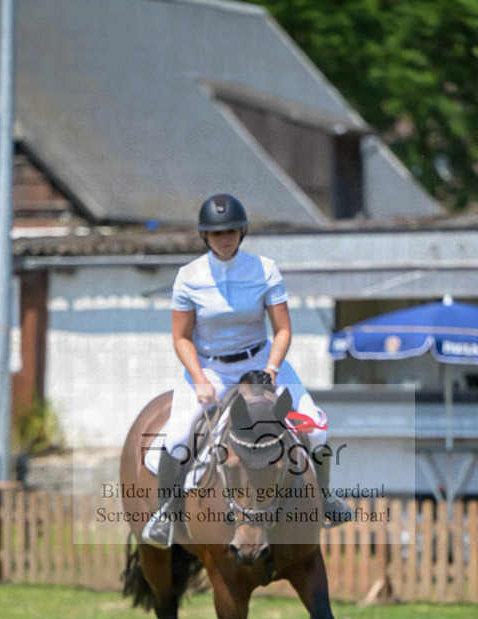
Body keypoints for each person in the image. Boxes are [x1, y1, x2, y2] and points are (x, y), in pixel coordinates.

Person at [142, 192, 352, 547]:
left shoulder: (264, 269)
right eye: (216, 234)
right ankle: (165, 513)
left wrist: (271, 368)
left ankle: (327, 498)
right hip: (211, 368)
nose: (224, 239)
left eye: (230, 232)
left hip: (262, 363)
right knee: (178, 436)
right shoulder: (189, 276)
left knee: (315, 427)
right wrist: (199, 380)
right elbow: (181, 338)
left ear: (242, 232)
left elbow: (283, 329)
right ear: (205, 236)